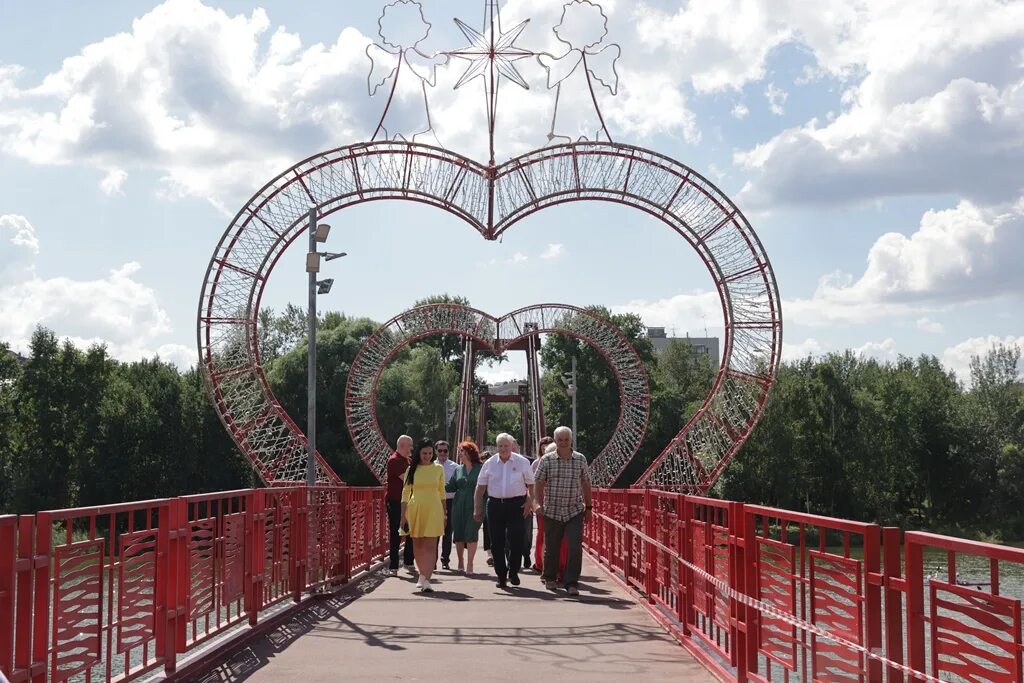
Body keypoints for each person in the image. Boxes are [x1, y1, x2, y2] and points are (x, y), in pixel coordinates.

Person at [535, 426, 592, 596]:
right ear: (556, 441)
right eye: (560, 440)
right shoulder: (547, 460)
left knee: (575, 546)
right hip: (552, 510)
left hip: (574, 510)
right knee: (552, 547)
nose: (564, 442)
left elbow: (586, 483)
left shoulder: (580, 459)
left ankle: (572, 582)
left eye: (567, 439)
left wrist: (589, 507)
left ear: (571, 440)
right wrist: (538, 503)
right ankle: (550, 577)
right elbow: (538, 483)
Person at [474, 433, 535, 589]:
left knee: (516, 540)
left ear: (512, 446)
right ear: (496, 447)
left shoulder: (522, 462)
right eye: (500, 446)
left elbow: (531, 484)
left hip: (516, 505)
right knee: (497, 543)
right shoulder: (489, 463)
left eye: (506, 446)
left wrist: (529, 502)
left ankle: (513, 571)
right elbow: (480, 488)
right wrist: (477, 509)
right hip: (495, 505)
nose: (503, 449)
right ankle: (501, 575)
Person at [401, 438, 447, 592]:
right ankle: (422, 575)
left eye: (429, 453)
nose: (427, 456)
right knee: (418, 545)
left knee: (431, 545)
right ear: (419, 453)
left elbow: (442, 492)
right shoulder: (411, 469)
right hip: (416, 509)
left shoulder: (438, 469)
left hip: (434, 508)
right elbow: (405, 493)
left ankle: (427, 579)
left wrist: (445, 513)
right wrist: (403, 515)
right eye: (424, 453)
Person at [446, 439, 483, 573]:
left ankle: (470, 564)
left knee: (471, 532)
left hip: (475, 504)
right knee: (459, 533)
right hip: (458, 504)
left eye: (462, 451)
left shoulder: (481, 469)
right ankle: (461, 561)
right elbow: (450, 486)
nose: (460, 454)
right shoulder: (458, 470)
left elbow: (486, 488)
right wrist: (435, 485)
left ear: (469, 453)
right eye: (459, 451)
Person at [385, 435, 415, 574]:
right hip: (396, 502)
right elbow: (407, 480)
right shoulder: (394, 460)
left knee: (410, 532)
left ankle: (408, 562)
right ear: (402, 445)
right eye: (410, 446)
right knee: (396, 532)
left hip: (407, 502)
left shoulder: (406, 460)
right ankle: (394, 566)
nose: (412, 448)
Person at [435, 440, 459, 570]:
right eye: (440, 450)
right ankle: (432, 561)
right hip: (436, 501)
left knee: (448, 532)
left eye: (445, 450)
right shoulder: (431, 466)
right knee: (434, 532)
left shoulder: (455, 467)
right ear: (436, 451)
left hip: (450, 501)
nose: (443, 453)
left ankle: (445, 560)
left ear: (448, 451)